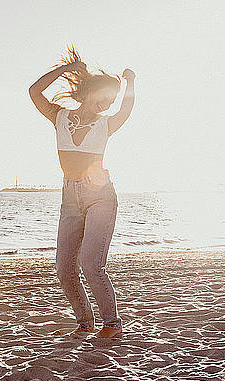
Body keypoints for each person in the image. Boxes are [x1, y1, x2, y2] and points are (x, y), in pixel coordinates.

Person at [29, 45, 135, 338]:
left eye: (112, 99)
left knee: (91, 264)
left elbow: (126, 108)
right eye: (106, 95)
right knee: (64, 270)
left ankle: (112, 323)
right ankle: (84, 322)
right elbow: (34, 92)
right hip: (70, 199)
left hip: (100, 197)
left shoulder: (106, 124)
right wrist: (64, 70)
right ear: (91, 90)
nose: (109, 103)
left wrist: (130, 82)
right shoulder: (59, 116)